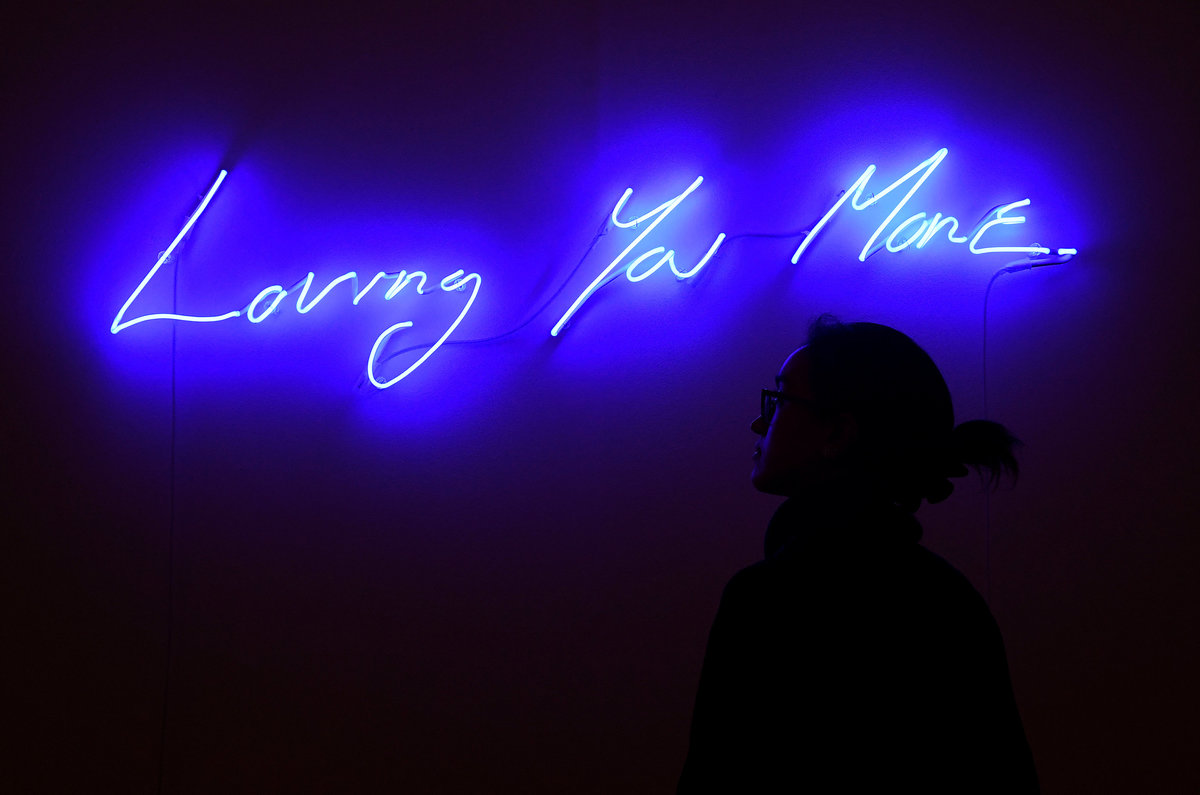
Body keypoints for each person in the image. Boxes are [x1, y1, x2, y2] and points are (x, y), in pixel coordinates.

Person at [678, 316, 1039, 793]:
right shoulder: (950, 599)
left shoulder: (767, 600)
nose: (759, 422)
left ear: (837, 434)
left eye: (780, 401)